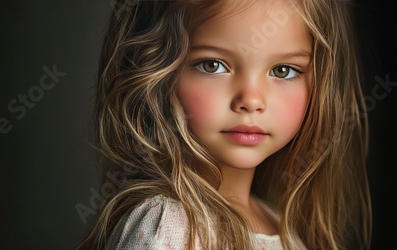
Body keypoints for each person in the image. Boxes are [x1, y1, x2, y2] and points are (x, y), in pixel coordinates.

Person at [77, 0, 372, 249]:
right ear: (157, 74)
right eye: (212, 65)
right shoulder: (170, 226)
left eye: (283, 70)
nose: (251, 100)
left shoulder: (282, 228)